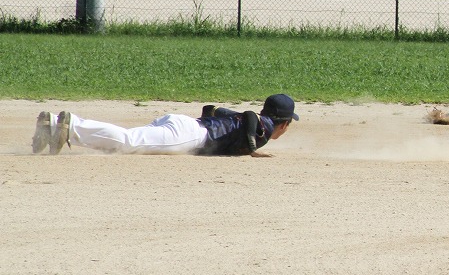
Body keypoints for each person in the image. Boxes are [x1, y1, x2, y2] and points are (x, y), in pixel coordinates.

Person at [31, 94, 299, 157]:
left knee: (125, 143)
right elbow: (251, 116)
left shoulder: (246, 121)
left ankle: (53, 125)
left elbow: (211, 109)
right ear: (284, 123)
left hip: (184, 124)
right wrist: (251, 146)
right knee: (128, 142)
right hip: (191, 134)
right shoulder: (263, 126)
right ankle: (71, 124)